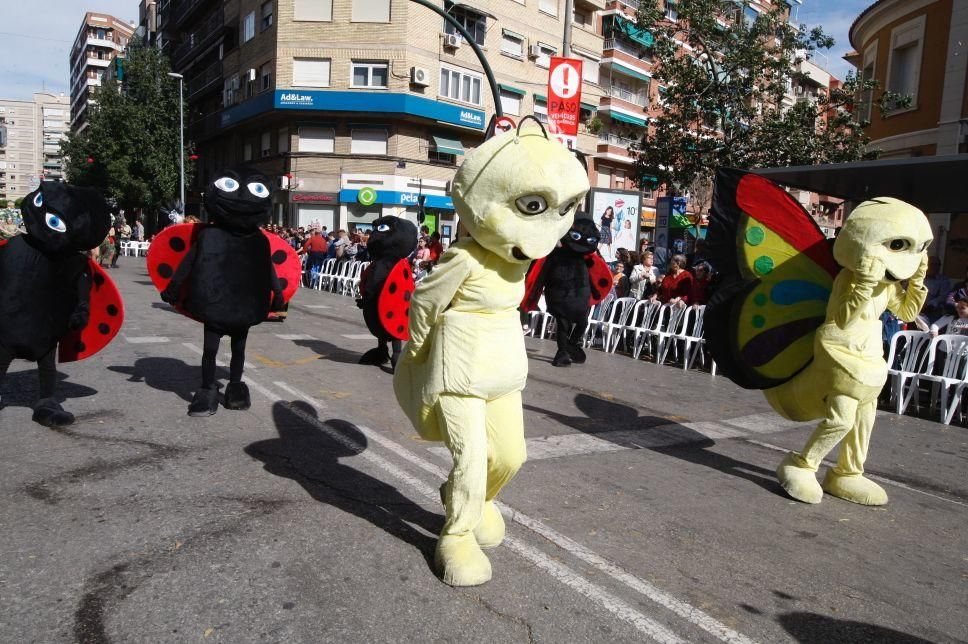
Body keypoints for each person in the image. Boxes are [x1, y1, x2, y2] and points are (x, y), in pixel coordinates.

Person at [922, 256, 950, 323]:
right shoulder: (918, 278)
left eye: (937, 265)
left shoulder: (943, 280)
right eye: (932, 264)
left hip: (932, 310)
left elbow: (944, 296)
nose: (935, 267)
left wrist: (929, 304)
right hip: (916, 308)